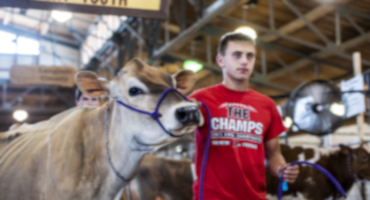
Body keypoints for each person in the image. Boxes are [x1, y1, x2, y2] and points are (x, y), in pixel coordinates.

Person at [188, 32, 299, 200]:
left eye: (250, 56)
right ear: (220, 60)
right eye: (237, 55)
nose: (244, 61)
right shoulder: (200, 99)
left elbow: (273, 154)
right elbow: (171, 130)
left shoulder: (267, 105)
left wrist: (281, 168)